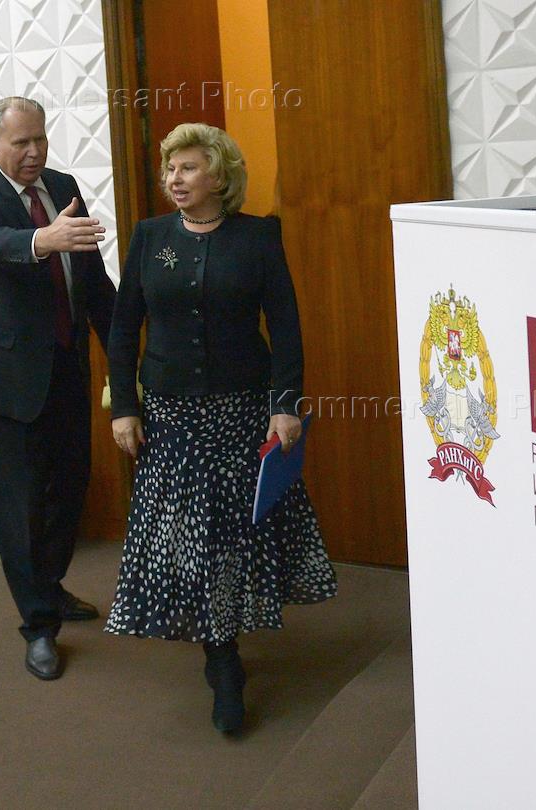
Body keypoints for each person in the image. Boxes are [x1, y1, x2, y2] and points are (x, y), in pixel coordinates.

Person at [105, 123, 337, 734]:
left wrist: (285, 404)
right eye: (169, 170)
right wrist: (124, 405)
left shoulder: (258, 237)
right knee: (191, 534)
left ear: (218, 174)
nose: (174, 180)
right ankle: (222, 655)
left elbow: (285, 327)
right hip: (171, 415)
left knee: (232, 531)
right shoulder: (150, 237)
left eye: (187, 168)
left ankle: (223, 639)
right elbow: (124, 328)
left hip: (240, 410)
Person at [0, 96, 116, 680]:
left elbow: (89, 275)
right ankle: (38, 627)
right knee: (20, 505)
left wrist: (126, 348)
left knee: (69, 487)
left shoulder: (62, 186)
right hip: (6, 377)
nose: (34, 151)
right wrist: (43, 239)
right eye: (20, 142)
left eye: (40, 139)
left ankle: (49, 585)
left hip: (67, 366)